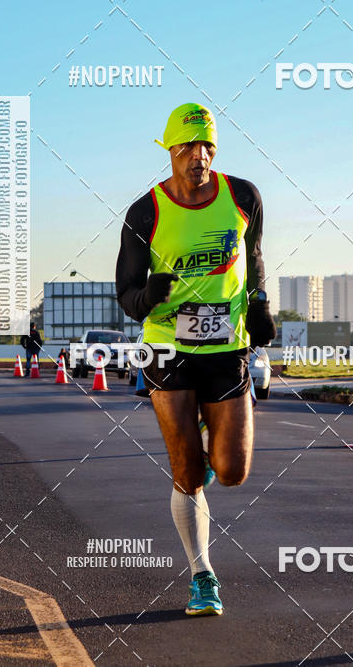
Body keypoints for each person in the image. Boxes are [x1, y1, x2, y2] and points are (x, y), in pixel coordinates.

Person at [116, 103, 276, 617]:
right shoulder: (146, 212)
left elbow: (252, 259)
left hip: (227, 347)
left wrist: (261, 306)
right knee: (186, 470)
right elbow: (125, 292)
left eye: (207, 147)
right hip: (166, 347)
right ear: (170, 152)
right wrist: (148, 298)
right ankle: (201, 575)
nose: (198, 158)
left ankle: (208, 461)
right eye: (187, 148)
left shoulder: (243, 196)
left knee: (231, 472)